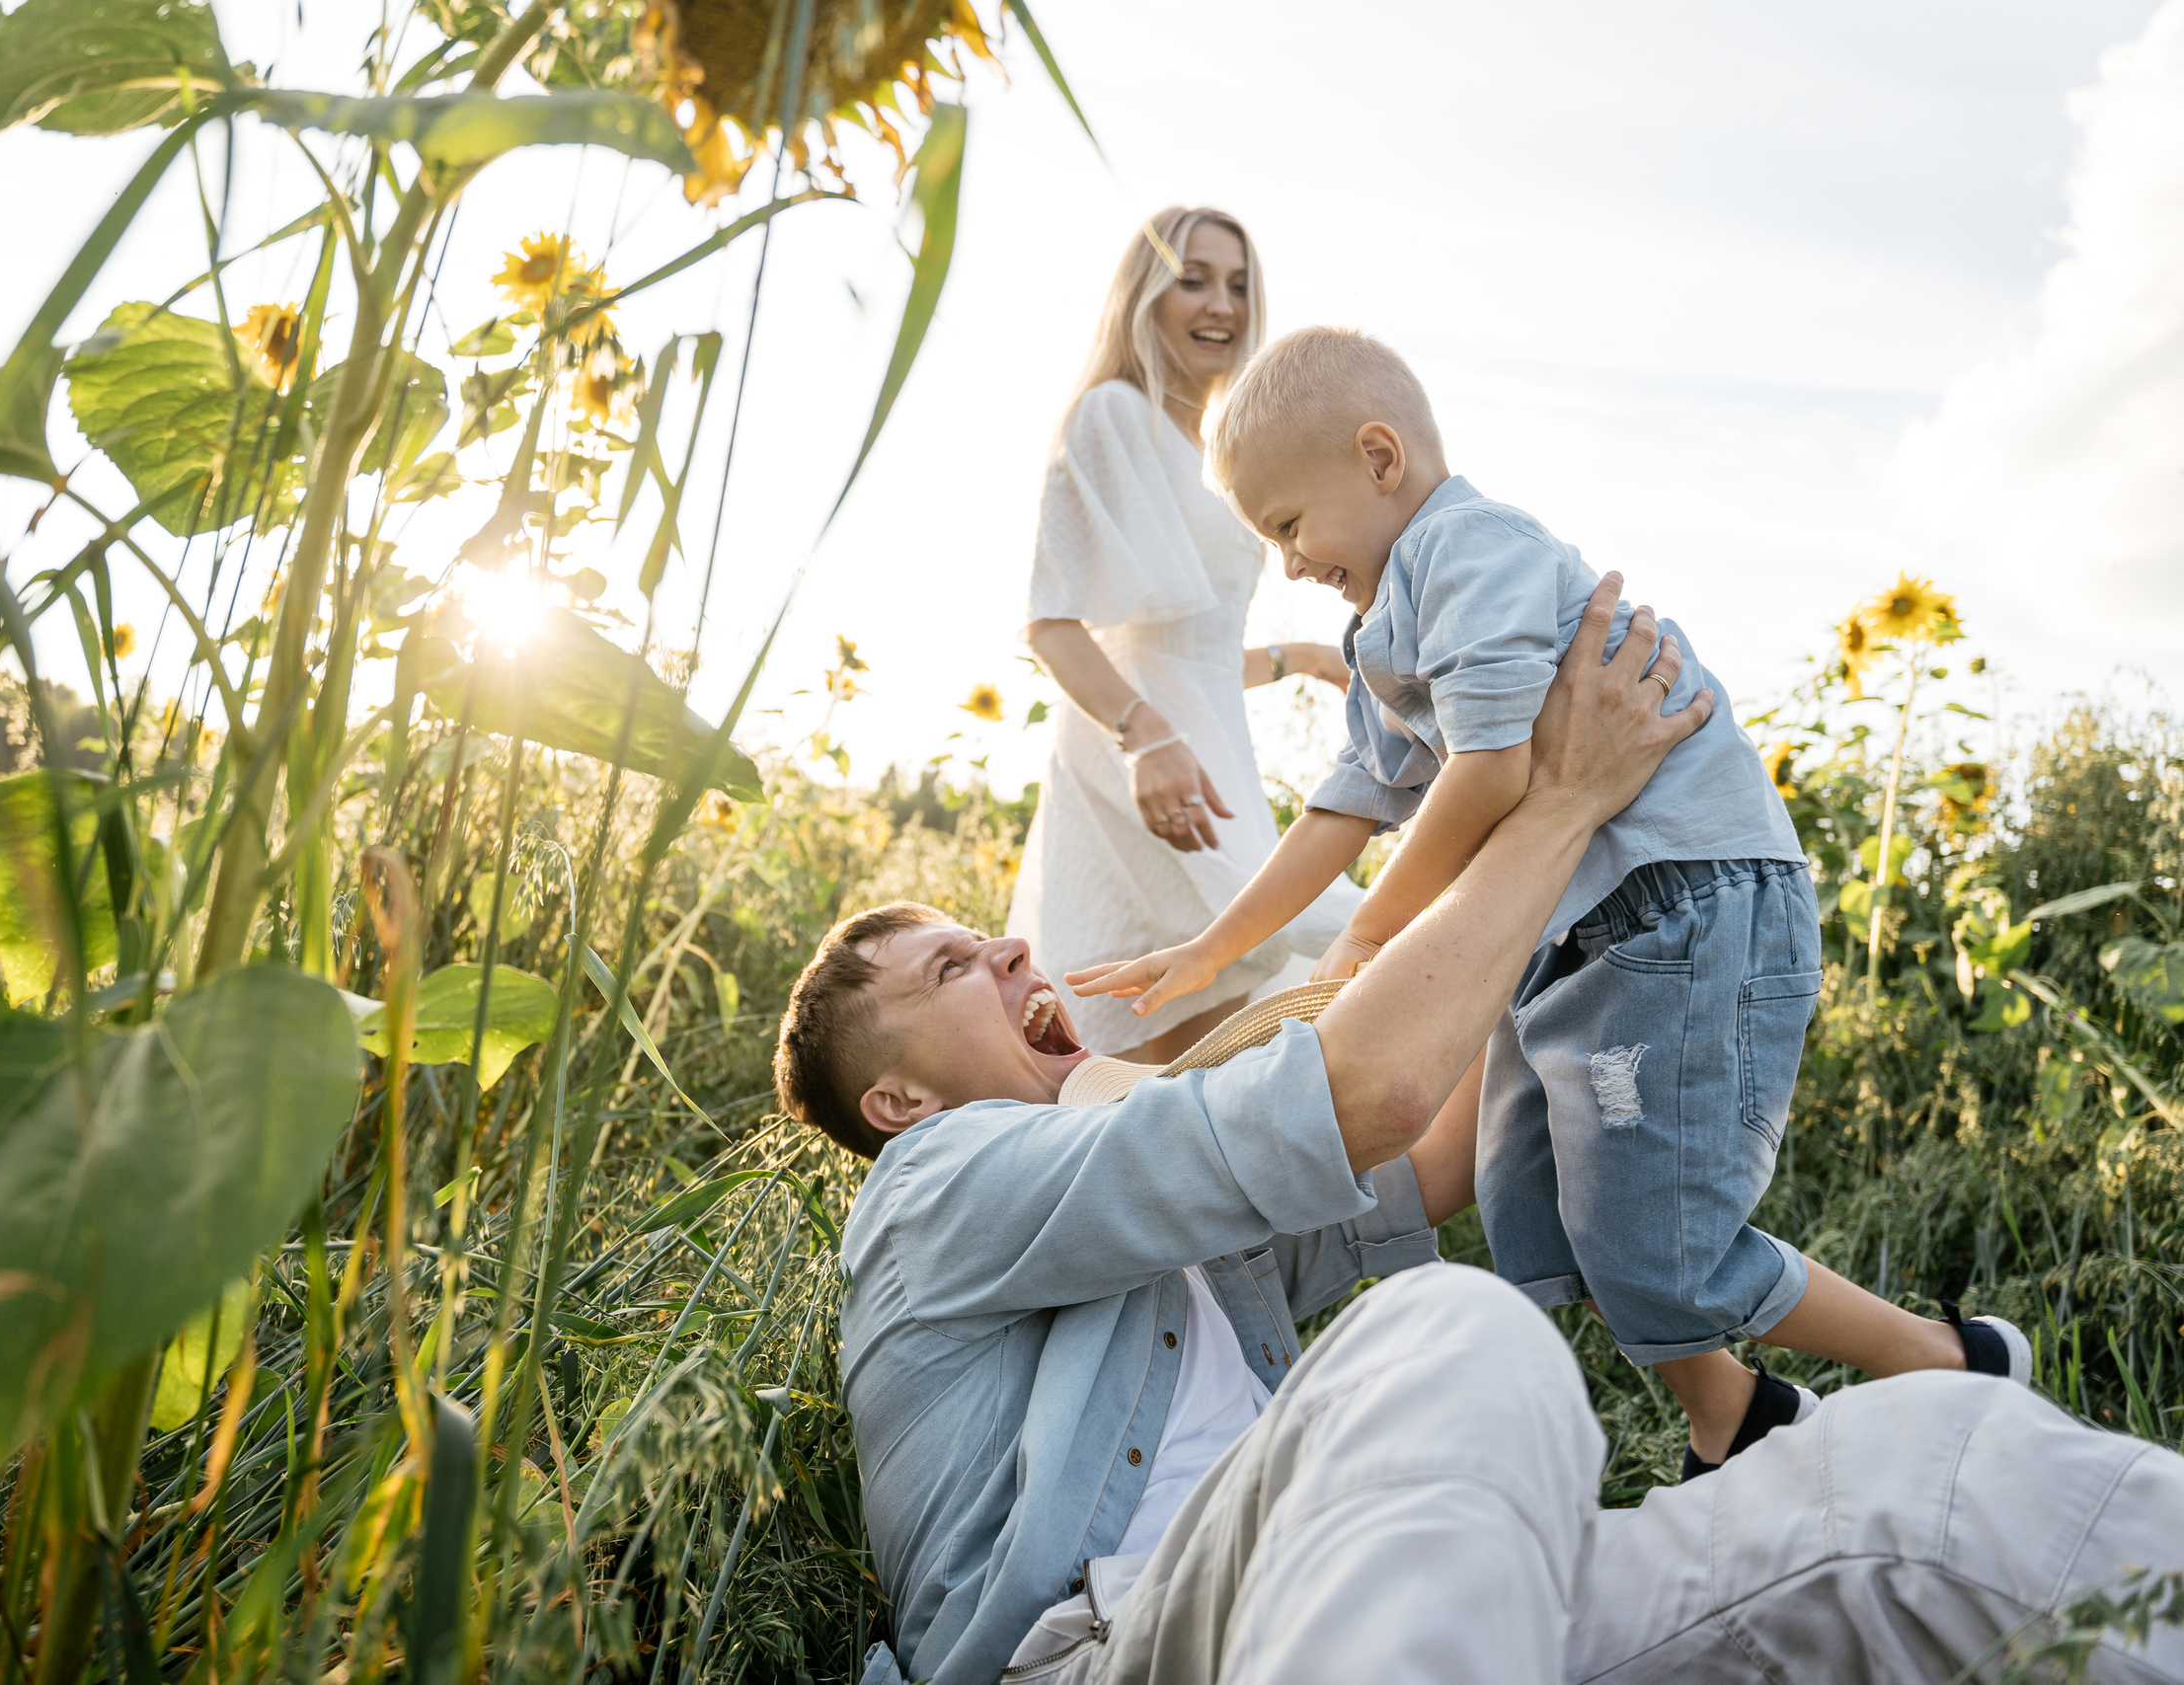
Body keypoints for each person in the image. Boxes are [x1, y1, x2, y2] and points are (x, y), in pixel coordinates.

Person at [772, 581, 2184, 1685]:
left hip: (1392, 1582)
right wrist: (1551, 807)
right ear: (897, 1101)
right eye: (954, 968)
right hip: (1114, 1645)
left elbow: (1436, 1152)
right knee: (1455, 1331)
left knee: (1929, 1461)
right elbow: (1366, 1090)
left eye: (986, 933)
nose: (1013, 946)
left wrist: (1595, 913)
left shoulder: (1147, 1199)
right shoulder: (931, 1185)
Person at [1067, 327, 2021, 1478]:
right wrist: (1216, 945)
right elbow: (1347, 803)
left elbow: (1493, 769)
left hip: (1683, 909)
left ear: (1377, 458)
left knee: (1651, 1238)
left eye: (1285, 525)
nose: (1288, 563)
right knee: (1539, 1207)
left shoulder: (1471, 551)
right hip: (1582, 938)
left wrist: (1373, 933)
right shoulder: (1378, 625)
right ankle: (1736, 1414)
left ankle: (1946, 1363)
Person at [1008, 207, 1359, 1064]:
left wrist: (1301, 659)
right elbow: (1056, 623)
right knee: (1274, 951)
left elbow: (1181, 645)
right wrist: (1145, 739)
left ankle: (1166, 1175)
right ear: (1144, 294)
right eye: (1193, 278)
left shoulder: (1205, 450)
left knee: (1242, 977)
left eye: (1239, 284)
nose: (1223, 304)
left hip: (1206, 743)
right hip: (1143, 753)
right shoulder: (1110, 415)